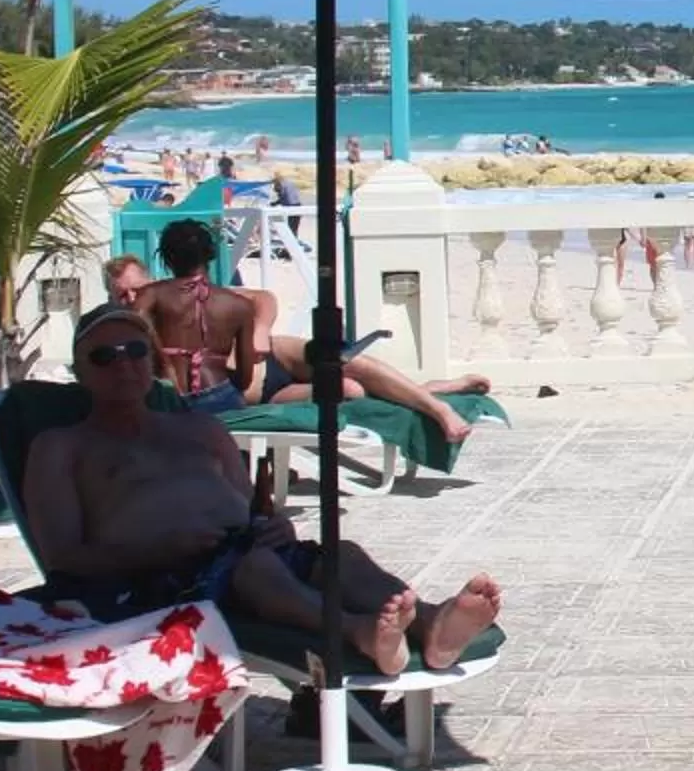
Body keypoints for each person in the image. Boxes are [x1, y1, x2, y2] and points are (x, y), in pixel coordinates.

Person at [24, 304, 499, 674]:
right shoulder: (63, 447)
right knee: (255, 571)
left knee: (342, 555)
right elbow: (64, 558)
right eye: (105, 356)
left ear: (152, 360)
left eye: (135, 351)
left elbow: (252, 509)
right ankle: (358, 633)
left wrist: (271, 526)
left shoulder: (200, 431)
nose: (123, 365)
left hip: (243, 552)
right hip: (152, 581)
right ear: (79, 370)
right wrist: (156, 546)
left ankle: (434, 625)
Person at [110, 254, 491, 444]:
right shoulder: (127, 336)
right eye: (120, 294)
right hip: (259, 396)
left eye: (134, 288)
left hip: (277, 354)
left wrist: (258, 331)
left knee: (347, 361)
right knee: (348, 389)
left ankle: (439, 410)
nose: (129, 298)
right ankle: (431, 389)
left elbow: (262, 297)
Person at [133, 219, 263, 412]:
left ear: (166, 258)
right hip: (220, 395)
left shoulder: (150, 296)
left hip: (166, 396)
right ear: (209, 256)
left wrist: (165, 364)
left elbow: (132, 326)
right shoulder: (239, 306)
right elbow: (245, 380)